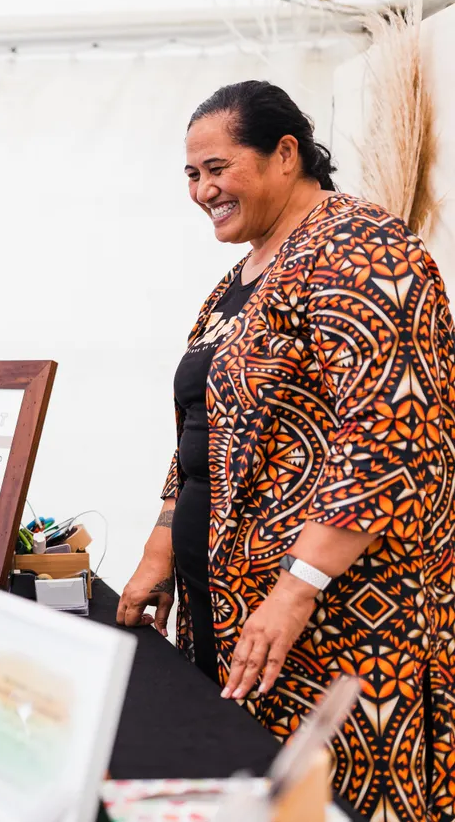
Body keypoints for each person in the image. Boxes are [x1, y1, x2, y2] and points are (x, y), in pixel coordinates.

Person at [116, 80, 455, 819]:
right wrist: (161, 547)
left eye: (217, 167)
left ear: (286, 154)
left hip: (337, 619)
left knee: (338, 798)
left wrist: (297, 587)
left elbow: (391, 438)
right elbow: (204, 428)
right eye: (192, 175)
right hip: (235, 608)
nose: (203, 189)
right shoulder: (238, 278)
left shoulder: (364, 250)